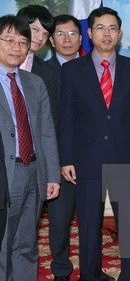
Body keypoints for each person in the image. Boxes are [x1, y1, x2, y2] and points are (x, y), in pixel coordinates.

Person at [58, 7, 130, 281]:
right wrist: (66, 158)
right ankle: (90, 275)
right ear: (90, 33)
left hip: (126, 156)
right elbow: (66, 118)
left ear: (119, 34)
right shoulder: (72, 71)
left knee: (129, 223)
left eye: (112, 28)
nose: (107, 34)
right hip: (86, 159)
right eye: (100, 28)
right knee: (88, 224)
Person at [0, 14, 60, 280]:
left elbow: (47, 133)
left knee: (26, 242)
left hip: (33, 171)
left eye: (23, 42)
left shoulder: (34, 83)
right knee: (2, 243)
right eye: (9, 40)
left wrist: (51, 175)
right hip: (5, 174)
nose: (16, 47)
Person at [45, 13, 82, 280]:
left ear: (81, 38)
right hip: (58, 159)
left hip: (93, 157)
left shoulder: (96, 67)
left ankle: (92, 267)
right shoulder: (42, 73)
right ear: (50, 39)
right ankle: (61, 270)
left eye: (72, 34)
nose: (67, 40)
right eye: (60, 34)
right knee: (59, 220)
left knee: (91, 220)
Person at [16, 5, 59, 126]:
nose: (40, 38)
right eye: (35, 29)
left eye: (45, 34)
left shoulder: (48, 72)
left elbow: (51, 119)